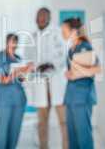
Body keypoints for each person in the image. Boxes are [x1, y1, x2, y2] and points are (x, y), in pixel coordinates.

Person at [26, 8, 68, 149]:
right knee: (42, 122)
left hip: (56, 82)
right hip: (40, 82)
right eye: (38, 16)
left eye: (44, 16)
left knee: (63, 121)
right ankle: (43, 147)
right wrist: (37, 66)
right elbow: (29, 58)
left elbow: (63, 54)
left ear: (49, 18)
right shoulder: (32, 36)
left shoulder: (57, 33)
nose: (41, 19)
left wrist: (51, 64)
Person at [61, 18, 101, 149]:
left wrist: (76, 73)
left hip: (82, 98)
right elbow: (74, 71)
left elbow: (97, 68)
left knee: (83, 136)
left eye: (64, 30)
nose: (62, 33)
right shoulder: (71, 49)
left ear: (73, 31)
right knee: (72, 136)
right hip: (71, 98)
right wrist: (70, 74)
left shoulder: (85, 46)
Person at [0, 33, 34, 149]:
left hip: (19, 100)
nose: (14, 44)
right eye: (12, 41)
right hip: (4, 102)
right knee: (2, 133)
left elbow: (22, 79)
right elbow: (3, 80)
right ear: (6, 42)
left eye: (16, 42)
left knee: (15, 132)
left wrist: (28, 70)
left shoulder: (19, 59)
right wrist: (18, 71)